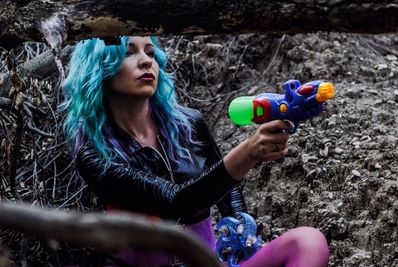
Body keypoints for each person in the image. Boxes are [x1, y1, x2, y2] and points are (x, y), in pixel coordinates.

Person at [60, 35, 329, 267]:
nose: (146, 61)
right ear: (100, 68)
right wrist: (248, 152)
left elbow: (226, 189)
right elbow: (175, 202)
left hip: (209, 260)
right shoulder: (95, 153)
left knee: (308, 241)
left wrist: (239, 232)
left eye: (150, 52)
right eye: (129, 52)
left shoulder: (189, 122)